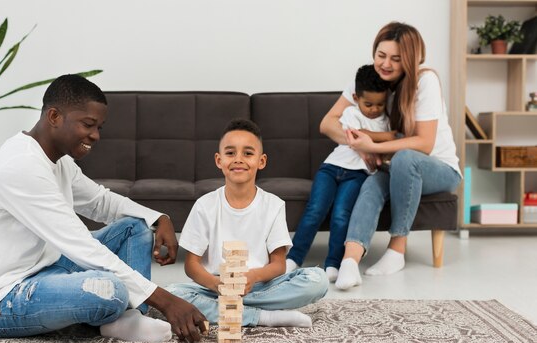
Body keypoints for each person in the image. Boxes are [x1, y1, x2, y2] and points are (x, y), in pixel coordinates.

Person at [0, 74, 208, 343]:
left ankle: (129, 318)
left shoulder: (56, 160)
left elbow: (100, 202)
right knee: (111, 290)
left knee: (135, 226)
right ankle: (122, 313)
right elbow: (81, 246)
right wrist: (167, 301)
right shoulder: (21, 166)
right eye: (88, 124)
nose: (95, 136)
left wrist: (158, 218)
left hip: (42, 267)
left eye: (99, 127)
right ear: (54, 116)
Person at [317, 22, 462, 290]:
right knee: (371, 184)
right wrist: (359, 146)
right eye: (381, 55)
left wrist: (372, 147)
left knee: (406, 157)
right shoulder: (367, 81)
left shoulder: (425, 80)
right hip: (396, 166)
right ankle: (350, 262)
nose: (386, 64)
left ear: (410, 58)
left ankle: (397, 250)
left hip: (439, 169)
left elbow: (424, 144)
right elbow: (328, 123)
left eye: (396, 58)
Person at [166, 119, 329, 327]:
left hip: (261, 286)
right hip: (214, 288)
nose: (239, 159)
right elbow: (191, 265)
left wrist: (253, 277)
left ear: (261, 161)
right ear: (219, 160)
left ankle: (232, 310)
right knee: (172, 294)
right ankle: (264, 316)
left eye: (248, 153)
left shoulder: (274, 205)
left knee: (318, 280)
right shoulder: (204, 205)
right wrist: (217, 285)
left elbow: (278, 265)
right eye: (230, 153)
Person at [285, 64, 393, 282]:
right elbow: (355, 137)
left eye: (380, 104)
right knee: (315, 210)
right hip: (331, 168)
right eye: (368, 104)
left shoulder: (386, 121)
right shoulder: (350, 112)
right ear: (355, 97)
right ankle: (294, 258)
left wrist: (376, 139)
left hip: (358, 175)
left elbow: (391, 138)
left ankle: (333, 263)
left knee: (342, 215)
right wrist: (378, 138)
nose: (374, 109)